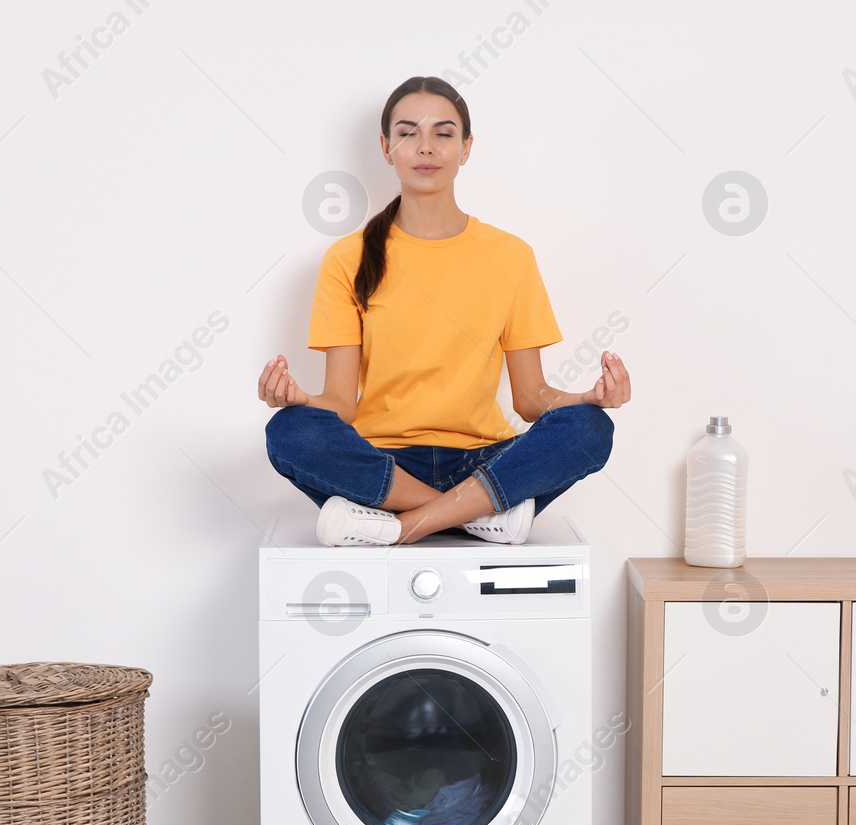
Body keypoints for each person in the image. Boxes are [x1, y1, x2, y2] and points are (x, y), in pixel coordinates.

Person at [260, 75, 630, 547]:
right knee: (290, 433)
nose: (425, 147)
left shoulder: (511, 255)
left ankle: (403, 524)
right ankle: (478, 513)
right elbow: (341, 405)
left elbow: (531, 397)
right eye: (408, 132)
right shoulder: (346, 258)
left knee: (589, 430)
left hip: (483, 461)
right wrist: (298, 400)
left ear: (466, 147)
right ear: (386, 147)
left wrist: (589, 398)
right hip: (383, 465)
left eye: (444, 133)